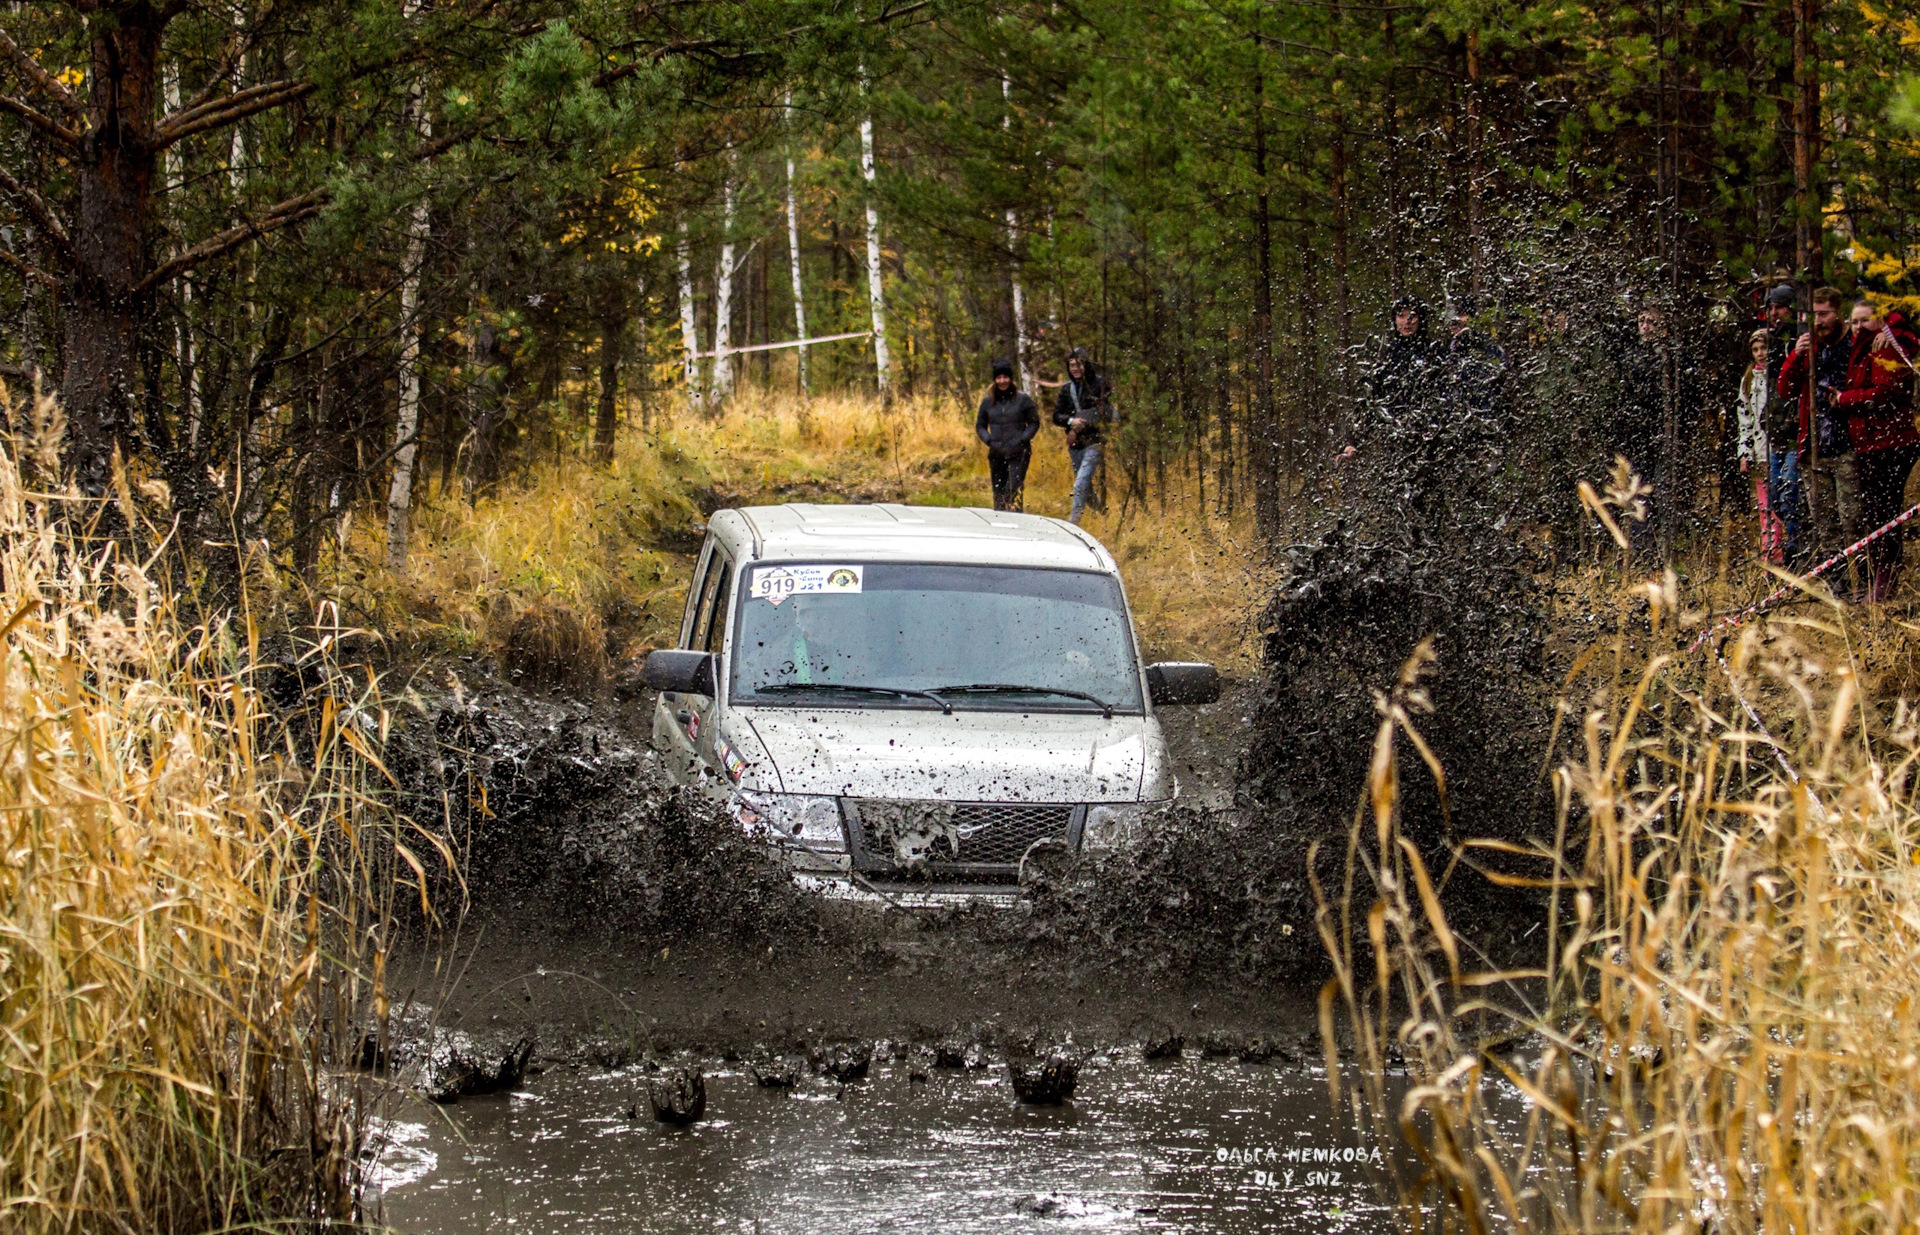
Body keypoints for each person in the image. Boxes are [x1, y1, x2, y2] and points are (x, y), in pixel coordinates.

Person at [1833, 300, 1920, 600]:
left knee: (1884, 515)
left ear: (1880, 321)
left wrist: (1845, 399)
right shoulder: (1864, 348)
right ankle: (1880, 580)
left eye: (1864, 320)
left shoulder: (1884, 346)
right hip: (1872, 443)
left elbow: (1884, 393)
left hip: (1890, 443)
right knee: (1877, 514)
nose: (1858, 327)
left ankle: (1885, 582)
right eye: (1853, 321)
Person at [1778, 287, 1861, 577]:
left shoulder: (1854, 344)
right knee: (1825, 524)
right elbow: (1785, 390)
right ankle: (1836, 584)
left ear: (1838, 313)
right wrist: (1795, 358)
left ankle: (1860, 581)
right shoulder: (1807, 347)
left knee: (1852, 519)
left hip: (1847, 446)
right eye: (1813, 315)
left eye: (1824, 314)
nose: (1819, 321)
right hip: (1813, 448)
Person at [1736, 328, 1785, 564]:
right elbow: (1744, 419)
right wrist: (1744, 453)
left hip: (1778, 449)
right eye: (1755, 350)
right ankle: (1770, 558)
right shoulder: (1747, 380)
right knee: (1766, 510)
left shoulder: (1779, 376)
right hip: (1758, 451)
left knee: (1782, 505)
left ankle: (1785, 555)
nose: (1760, 354)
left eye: (1763, 348)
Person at [1051, 347, 1109, 524]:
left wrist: (1078, 427)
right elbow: (1056, 416)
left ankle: (1073, 523)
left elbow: (1104, 413)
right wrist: (1070, 422)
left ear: (1086, 364)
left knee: (1079, 485)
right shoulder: (1067, 389)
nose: (1075, 368)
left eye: (1078, 364)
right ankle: (1102, 511)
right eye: (1071, 365)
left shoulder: (1099, 385)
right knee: (1085, 487)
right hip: (1075, 446)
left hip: (1095, 442)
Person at [976, 358, 1040, 511]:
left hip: (1019, 453)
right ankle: (1000, 523)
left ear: (1011, 378)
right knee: (998, 493)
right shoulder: (987, 402)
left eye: (1005, 377)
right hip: (996, 453)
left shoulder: (1022, 400)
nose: (1002, 381)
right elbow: (980, 425)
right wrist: (989, 440)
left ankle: (1016, 520)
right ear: (995, 380)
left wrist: (1023, 438)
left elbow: (1034, 423)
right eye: (999, 377)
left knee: (1013, 488)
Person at [1367, 295, 1441, 419]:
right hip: (1392, 423)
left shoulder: (1434, 351)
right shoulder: (1385, 353)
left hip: (1426, 421)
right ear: (1394, 320)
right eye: (1401, 315)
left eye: (1412, 315)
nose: (1408, 320)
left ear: (1421, 319)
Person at [1443, 297, 1509, 417]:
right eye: (1451, 315)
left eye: (1461, 314)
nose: (1455, 320)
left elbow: (1501, 370)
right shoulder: (1443, 347)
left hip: (1482, 413)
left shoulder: (1484, 345)